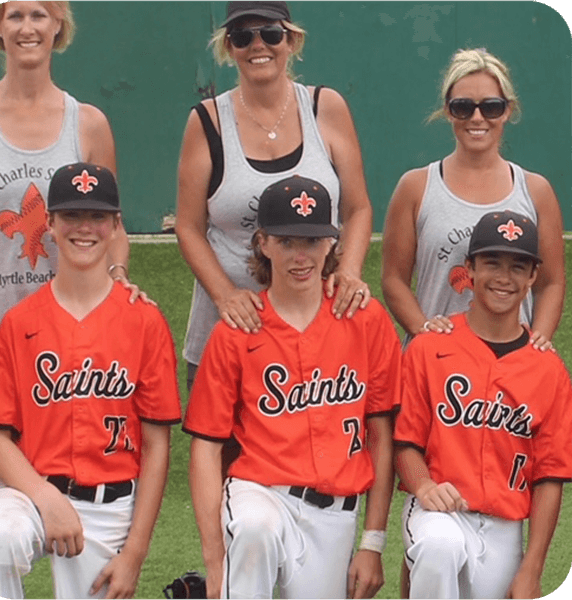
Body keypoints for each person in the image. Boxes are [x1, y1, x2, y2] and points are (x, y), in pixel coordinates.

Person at [183, 174, 401, 600]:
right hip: (259, 495)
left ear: (331, 244)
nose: (300, 256)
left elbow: (381, 432)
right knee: (255, 529)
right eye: (286, 242)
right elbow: (206, 447)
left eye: (312, 241)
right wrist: (215, 560)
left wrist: (372, 542)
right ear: (262, 243)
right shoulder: (238, 330)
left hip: (335, 514)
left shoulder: (366, 319)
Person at [0, 162, 182, 600]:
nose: (84, 228)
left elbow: (156, 443)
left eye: (97, 216)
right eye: (71, 215)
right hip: (30, 491)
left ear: (115, 225)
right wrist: (45, 498)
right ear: (49, 224)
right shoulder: (19, 322)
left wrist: (136, 553)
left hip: (111, 504)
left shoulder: (144, 321)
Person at [0, 0, 141, 531]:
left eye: (39, 15)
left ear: (58, 26)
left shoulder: (87, 123)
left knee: (75, 467)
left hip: (66, 338)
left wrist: (119, 282)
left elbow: (112, 229)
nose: (27, 27)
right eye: (15, 15)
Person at [176, 1, 373, 392]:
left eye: (270, 33)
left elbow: (358, 207)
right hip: (232, 332)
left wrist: (348, 270)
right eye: (242, 36)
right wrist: (226, 296)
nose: (257, 45)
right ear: (228, 47)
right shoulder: (207, 121)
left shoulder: (325, 108)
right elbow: (188, 226)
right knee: (224, 451)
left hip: (317, 326)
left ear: (291, 40)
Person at [393, 210, 572, 600]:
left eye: (517, 266)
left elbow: (550, 477)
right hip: (438, 514)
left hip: (504, 529)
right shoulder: (429, 347)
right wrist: (422, 485)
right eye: (492, 263)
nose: (504, 277)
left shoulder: (549, 370)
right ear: (469, 270)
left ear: (531, 279)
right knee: (439, 547)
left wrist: (532, 568)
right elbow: (404, 442)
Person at [381, 48, 565, 350]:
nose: (477, 118)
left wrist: (537, 344)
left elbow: (551, 284)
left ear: (508, 110)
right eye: (463, 107)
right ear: (447, 110)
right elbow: (393, 279)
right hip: (436, 361)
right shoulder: (416, 187)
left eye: (491, 107)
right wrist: (423, 329)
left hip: (511, 361)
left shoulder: (536, 191)